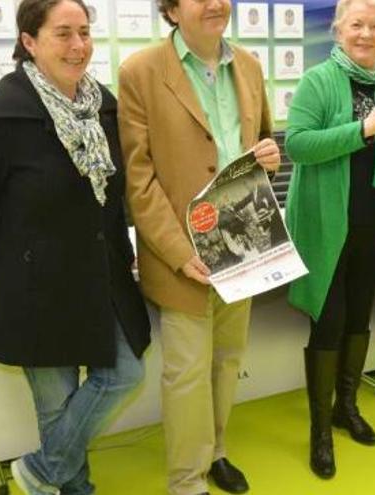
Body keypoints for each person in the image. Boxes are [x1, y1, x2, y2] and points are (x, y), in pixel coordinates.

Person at [0, 1, 151, 494]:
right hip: (34, 283)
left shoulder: (102, 104)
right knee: (56, 404)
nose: (78, 46)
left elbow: (111, 194)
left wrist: (126, 252)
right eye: (63, 34)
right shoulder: (0, 115)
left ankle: (40, 471)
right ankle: (74, 488)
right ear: (29, 41)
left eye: (84, 32)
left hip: (100, 274)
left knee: (124, 374)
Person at [118, 1, 279, 493]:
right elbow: (138, 179)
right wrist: (176, 251)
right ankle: (187, 480)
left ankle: (217, 451)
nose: (215, 3)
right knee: (186, 373)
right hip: (180, 253)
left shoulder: (248, 65)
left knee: (227, 358)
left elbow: (262, 141)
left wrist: (268, 157)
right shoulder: (140, 72)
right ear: (170, 9)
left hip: (244, 243)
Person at [284, 0, 375, 480]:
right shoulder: (319, 80)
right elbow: (297, 144)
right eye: (357, 24)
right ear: (338, 29)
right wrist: (361, 130)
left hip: (373, 228)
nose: (366, 33)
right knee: (328, 322)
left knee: (359, 318)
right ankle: (320, 431)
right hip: (327, 227)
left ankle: (347, 407)